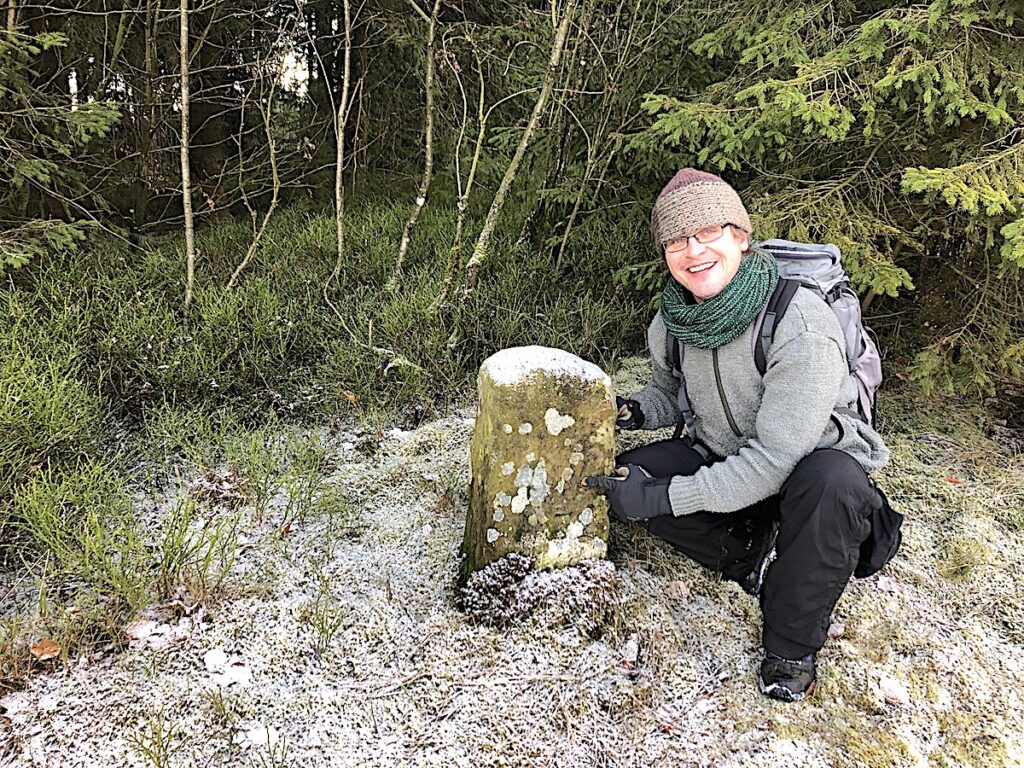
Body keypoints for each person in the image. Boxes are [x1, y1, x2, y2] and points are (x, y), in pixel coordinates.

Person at [585, 168, 891, 703]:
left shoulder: (796, 319)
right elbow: (670, 391)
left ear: (741, 238)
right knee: (638, 475)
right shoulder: (675, 319)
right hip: (727, 457)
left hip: (803, 473)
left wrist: (666, 498)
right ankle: (753, 556)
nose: (693, 251)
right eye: (677, 240)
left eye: (708, 233)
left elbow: (774, 458)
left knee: (833, 483)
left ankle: (791, 646)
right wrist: (630, 411)